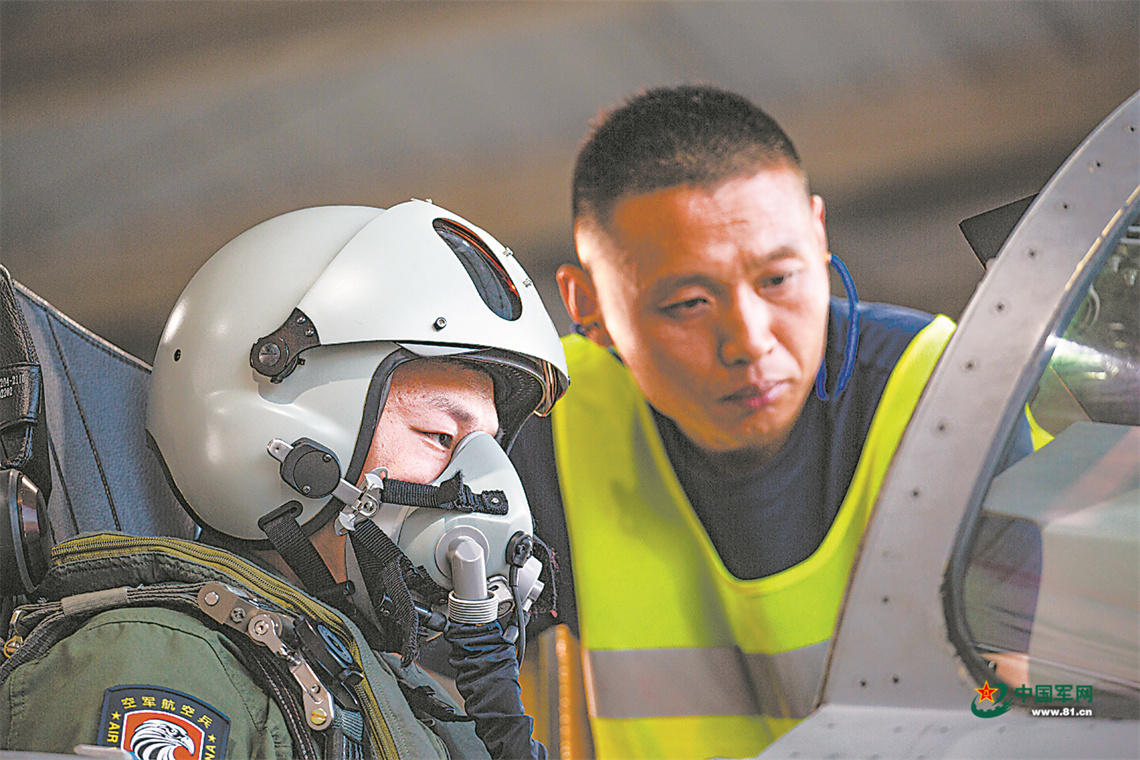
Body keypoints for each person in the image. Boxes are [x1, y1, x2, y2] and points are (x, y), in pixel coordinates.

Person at [1, 200, 568, 760]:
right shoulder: (161, 664)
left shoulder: (398, 695)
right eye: (440, 437)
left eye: (487, 447)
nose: (487, 489)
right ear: (290, 441)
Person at [510, 85, 961, 759]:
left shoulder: (950, 393)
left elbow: (1049, 698)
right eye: (689, 303)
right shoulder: (540, 420)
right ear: (589, 306)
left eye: (778, 280)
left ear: (818, 232)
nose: (749, 341)